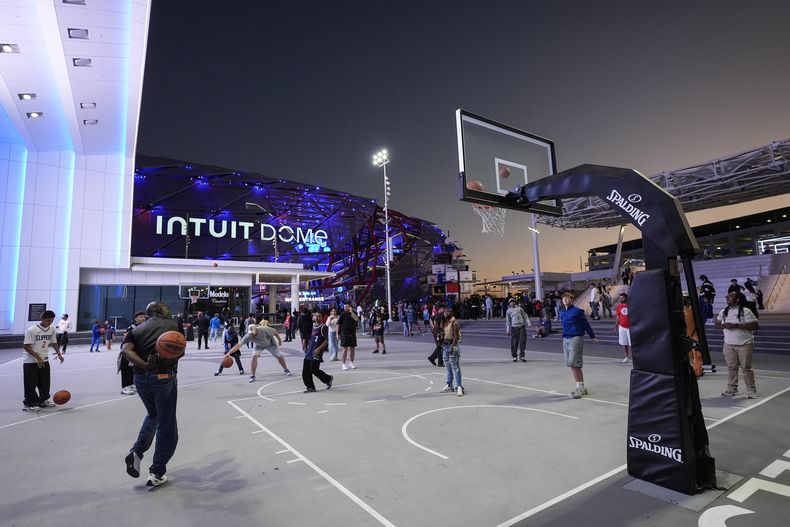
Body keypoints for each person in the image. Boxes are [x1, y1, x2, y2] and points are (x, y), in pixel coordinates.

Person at [122, 301, 183, 488]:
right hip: (164, 378)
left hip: (141, 380)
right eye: (166, 306)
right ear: (159, 310)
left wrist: (144, 365)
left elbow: (125, 350)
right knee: (167, 425)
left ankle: (137, 452)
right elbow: (179, 351)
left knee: (154, 414)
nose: (169, 308)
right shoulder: (175, 324)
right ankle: (157, 472)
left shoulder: (136, 329)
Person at [716, 292, 759, 399]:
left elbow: (755, 326)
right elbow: (717, 323)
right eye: (727, 296)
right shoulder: (723, 311)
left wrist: (736, 325)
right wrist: (723, 325)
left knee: (746, 368)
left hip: (744, 344)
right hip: (729, 344)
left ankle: (751, 390)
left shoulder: (745, 311)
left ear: (738, 299)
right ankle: (732, 388)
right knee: (731, 367)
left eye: (730, 296)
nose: (727, 297)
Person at [22, 310, 64, 411]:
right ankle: (31, 402)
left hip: (44, 359)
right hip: (31, 361)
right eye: (48, 321)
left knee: (44, 381)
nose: (50, 323)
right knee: (31, 383)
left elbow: (54, 343)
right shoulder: (32, 330)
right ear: (42, 319)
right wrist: (38, 358)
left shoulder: (52, 329)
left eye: (52, 321)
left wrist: (59, 354)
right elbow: (26, 346)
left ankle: (43, 400)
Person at [559, 293, 598, 399]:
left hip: (576, 338)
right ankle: (582, 387)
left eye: (567, 297)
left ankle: (578, 389)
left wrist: (592, 336)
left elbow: (585, 324)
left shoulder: (577, 311)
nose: (565, 299)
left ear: (572, 299)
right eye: (563, 298)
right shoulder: (561, 312)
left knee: (573, 363)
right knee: (573, 365)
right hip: (565, 339)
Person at [301, 311, 333, 393]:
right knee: (305, 370)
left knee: (313, 369)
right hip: (309, 351)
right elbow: (309, 338)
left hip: (317, 351)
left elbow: (327, 340)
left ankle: (328, 379)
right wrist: (305, 345)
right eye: (315, 316)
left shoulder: (323, 327)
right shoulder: (312, 327)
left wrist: (319, 348)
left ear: (322, 318)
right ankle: (310, 387)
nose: (317, 317)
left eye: (319, 316)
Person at [120, 311, 147, 395]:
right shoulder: (131, 328)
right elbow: (125, 341)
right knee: (126, 369)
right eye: (140, 317)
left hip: (137, 352)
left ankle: (131, 384)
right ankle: (125, 386)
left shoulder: (146, 327)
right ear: (136, 318)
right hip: (128, 352)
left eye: (143, 316)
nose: (142, 318)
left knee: (133, 369)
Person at [438, 308, 464, 396]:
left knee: (455, 367)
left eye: (447, 312)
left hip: (452, 346)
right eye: (444, 312)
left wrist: (453, 346)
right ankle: (450, 385)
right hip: (445, 346)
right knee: (447, 366)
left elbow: (456, 336)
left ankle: (459, 386)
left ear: (451, 312)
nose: (445, 313)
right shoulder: (444, 322)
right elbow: (442, 333)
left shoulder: (454, 322)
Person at [338, 304, 358, 370]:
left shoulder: (353, 313)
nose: (345, 308)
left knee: (352, 348)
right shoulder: (342, 314)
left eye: (347, 306)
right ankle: (343, 364)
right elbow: (339, 324)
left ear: (350, 307)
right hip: (344, 333)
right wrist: (337, 334)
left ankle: (351, 362)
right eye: (344, 307)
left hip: (352, 333)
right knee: (345, 349)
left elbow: (356, 319)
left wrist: (351, 312)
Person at [614, 293, 631, 362]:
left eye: (623, 298)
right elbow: (618, 317)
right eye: (620, 298)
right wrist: (616, 326)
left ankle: (636, 357)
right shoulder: (618, 307)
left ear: (626, 298)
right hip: (622, 326)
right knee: (624, 343)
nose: (621, 299)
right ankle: (626, 357)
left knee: (632, 343)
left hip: (630, 327)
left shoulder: (630, 305)